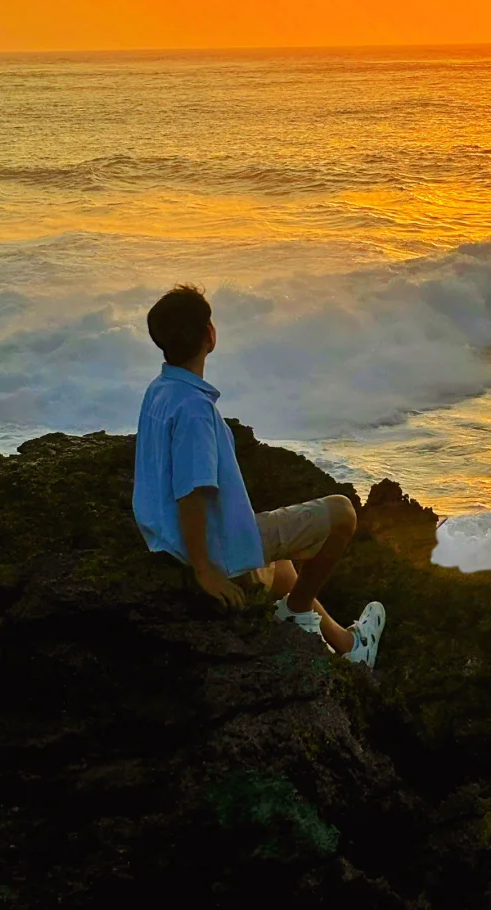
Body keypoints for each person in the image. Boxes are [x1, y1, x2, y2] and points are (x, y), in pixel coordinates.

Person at [132, 284, 385, 667]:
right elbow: (191, 493)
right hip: (207, 553)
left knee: (279, 566)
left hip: (163, 540)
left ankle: (349, 646)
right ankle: (303, 617)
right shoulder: (195, 411)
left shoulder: (159, 391)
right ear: (210, 336)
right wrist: (206, 572)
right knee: (343, 513)